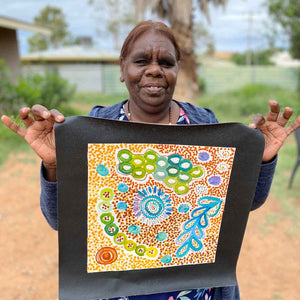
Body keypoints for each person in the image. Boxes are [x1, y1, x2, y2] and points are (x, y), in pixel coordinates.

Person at [1, 20, 300, 300]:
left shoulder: (204, 126)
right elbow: (60, 222)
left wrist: (261, 161)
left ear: (177, 70)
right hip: (115, 291)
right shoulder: (94, 130)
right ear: (122, 68)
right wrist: (55, 166)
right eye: (142, 61)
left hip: (194, 291)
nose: (154, 70)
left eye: (166, 63)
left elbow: (242, 205)